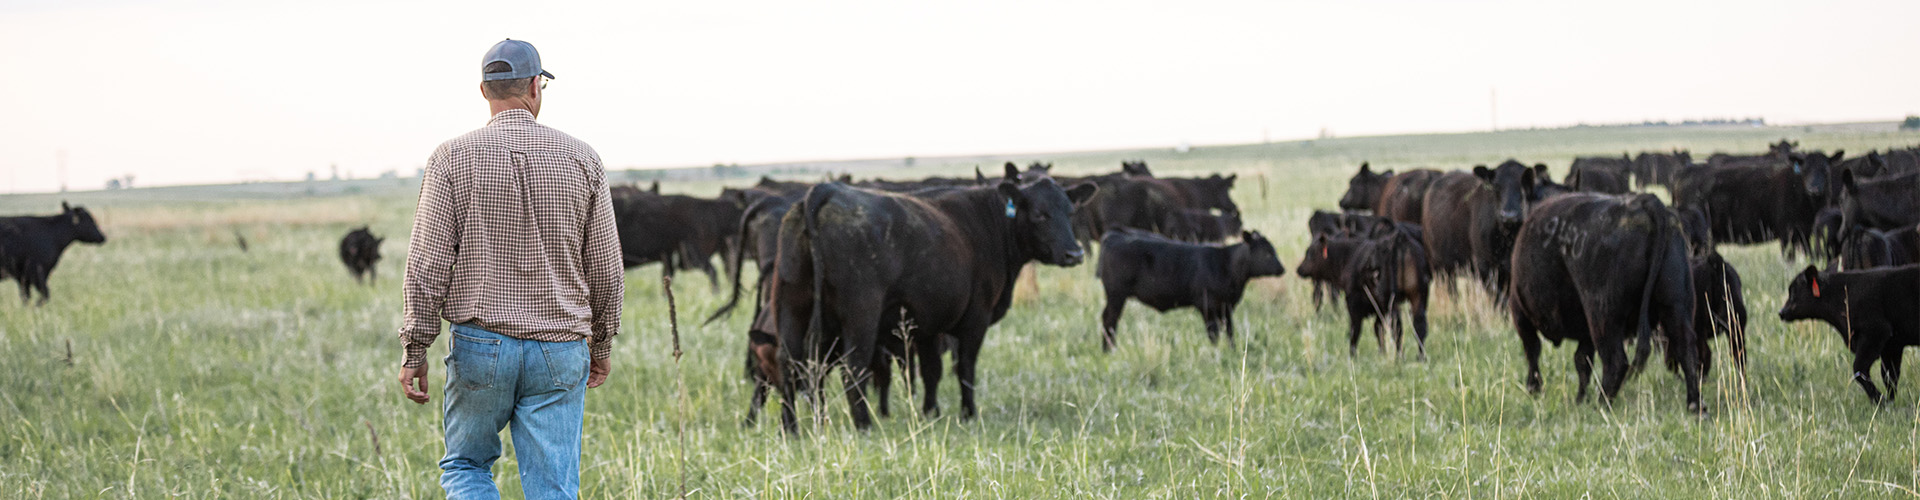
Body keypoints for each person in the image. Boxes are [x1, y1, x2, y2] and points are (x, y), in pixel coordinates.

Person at [396, 38, 624, 499]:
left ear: (484, 91)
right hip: (560, 349)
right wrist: (602, 342)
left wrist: (415, 347)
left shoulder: (451, 157)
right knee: (553, 487)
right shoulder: (583, 158)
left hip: (481, 344)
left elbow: (426, 263)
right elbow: (606, 268)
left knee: (466, 466)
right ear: (536, 87)